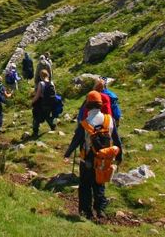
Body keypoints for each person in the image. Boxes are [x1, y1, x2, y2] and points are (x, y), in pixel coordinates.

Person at [64, 91, 123, 221]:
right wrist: (119, 156)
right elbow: (117, 140)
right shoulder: (110, 120)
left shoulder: (85, 123)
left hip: (88, 160)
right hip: (104, 159)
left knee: (85, 185)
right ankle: (100, 210)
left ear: (87, 105)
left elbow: (76, 140)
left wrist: (67, 154)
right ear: (100, 105)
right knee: (99, 184)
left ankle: (87, 212)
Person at [31, 69, 56, 138]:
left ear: (41, 76)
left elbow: (38, 95)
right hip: (50, 103)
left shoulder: (41, 83)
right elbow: (55, 93)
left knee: (36, 117)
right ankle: (53, 126)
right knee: (47, 115)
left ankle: (35, 132)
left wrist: (32, 101)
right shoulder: (52, 83)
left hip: (42, 103)